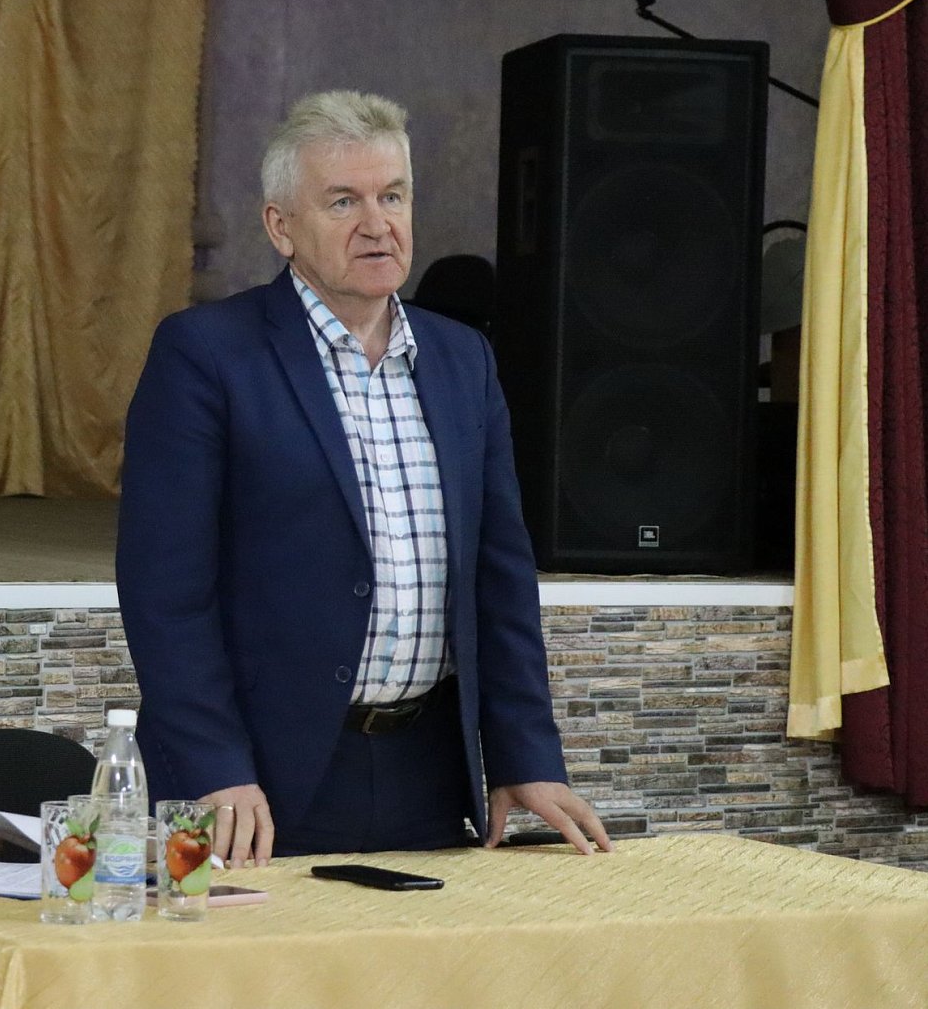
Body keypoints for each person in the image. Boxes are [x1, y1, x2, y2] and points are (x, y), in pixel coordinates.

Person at [116, 90, 611, 866]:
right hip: (258, 782)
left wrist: (526, 756)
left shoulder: (463, 360)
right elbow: (165, 591)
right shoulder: (205, 354)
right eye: (343, 201)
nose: (377, 224)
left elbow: (500, 577)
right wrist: (214, 766)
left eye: (393, 196)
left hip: (429, 774)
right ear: (281, 226)